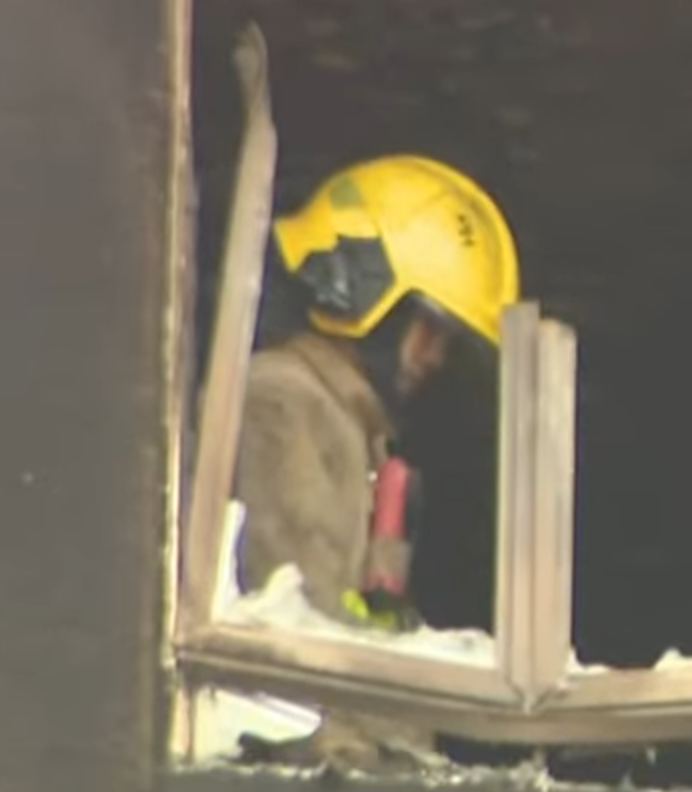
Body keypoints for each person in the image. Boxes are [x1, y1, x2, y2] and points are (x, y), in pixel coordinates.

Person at [230, 154, 520, 771]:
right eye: (429, 329)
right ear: (358, 289)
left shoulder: (353, 432)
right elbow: (296, 647)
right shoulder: (285, 405)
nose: (434, 358)